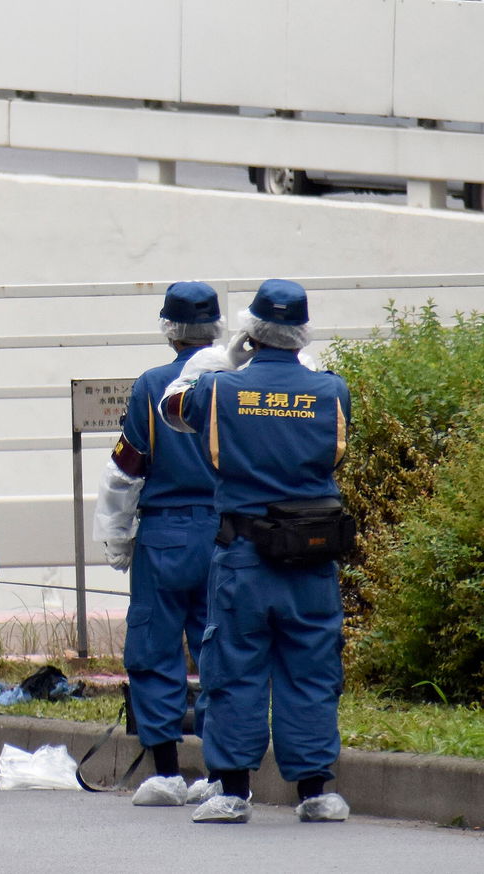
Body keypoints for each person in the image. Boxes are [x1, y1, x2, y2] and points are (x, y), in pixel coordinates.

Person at [159, 279, 352, 825]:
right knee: (312, 670)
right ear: (302, 334)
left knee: (234, 670)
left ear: (251, 330)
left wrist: (221, 363)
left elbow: (175, 408)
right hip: (313, 556)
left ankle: (232, 790)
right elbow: (332, 452)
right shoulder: (332, 392)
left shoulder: (220, 391)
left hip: (243, 554)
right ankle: (316, 792)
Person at [93, 282, 223, 807]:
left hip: (165, 534)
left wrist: (117, 538)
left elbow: (127, 470)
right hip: (226, 532)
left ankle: (167, 771)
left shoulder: (151, 385)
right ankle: (222, 772)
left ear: (168, 328)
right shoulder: (237, 381)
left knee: (155, 650)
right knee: (222, 651)